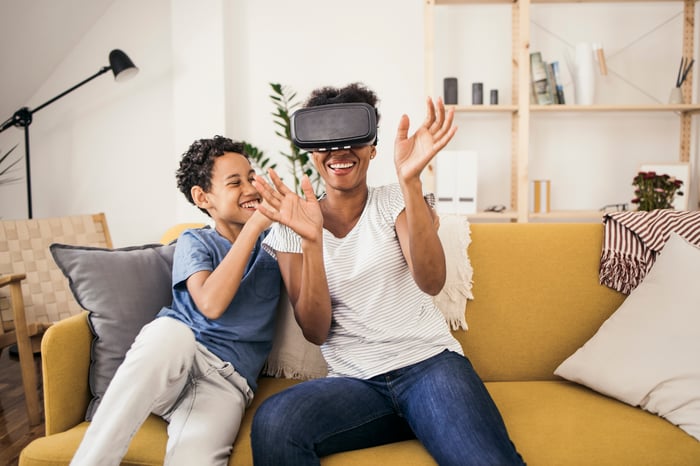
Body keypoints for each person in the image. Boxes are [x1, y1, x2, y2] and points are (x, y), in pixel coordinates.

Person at [250, 83, 525, 466]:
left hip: (429, 369)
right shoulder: (291, 226)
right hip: (356, 386)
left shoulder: (395, 201)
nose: (339, 152)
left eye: (352, 140)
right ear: (312, 153)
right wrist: (312, 241)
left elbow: (432, 281)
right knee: (275, 422)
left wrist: (410, 181)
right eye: (327, 143)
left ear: (372, 148)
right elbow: (315, 330)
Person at [71, 136, 282, 466]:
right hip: (174, 360)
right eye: (235, 182)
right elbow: (210, 304)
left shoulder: (276, 243)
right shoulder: (195, 240)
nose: (251, 188)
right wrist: (254, 227)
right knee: (169, 332)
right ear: (203, 197)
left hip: (227, 384)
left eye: (251, 176)